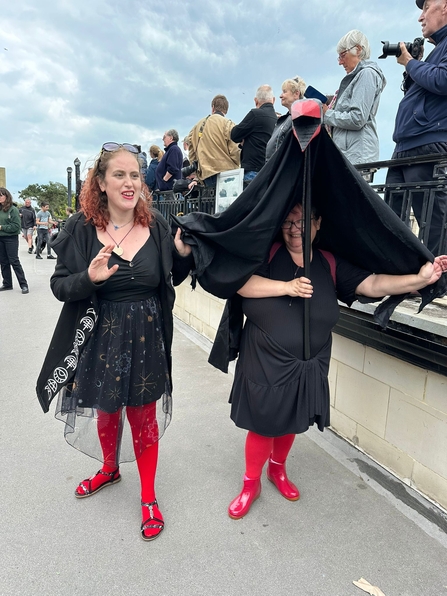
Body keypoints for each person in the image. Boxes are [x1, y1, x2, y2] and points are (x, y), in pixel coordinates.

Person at [224, 202, 447, 519]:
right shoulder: (267, 253)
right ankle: (251, 484)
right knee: (263, 423)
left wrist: (420, 279)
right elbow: (240, 284)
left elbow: (373, 284)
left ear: (317, 224)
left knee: (291, 419)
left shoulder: (328, 261)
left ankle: (278, 470)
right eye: (287, 221)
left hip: (310, 360)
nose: (293, 229)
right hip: (264, 357)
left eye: (301, 221)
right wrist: (286, 287)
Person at [36, 142, 193, 541]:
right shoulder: (79, 228)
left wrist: (183, 255)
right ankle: (110, 467)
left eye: (136, 175)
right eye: (119, 174)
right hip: (101, 332)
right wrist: (90, 278)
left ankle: (149, 498)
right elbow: (60, 287)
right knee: (107, 408)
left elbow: (171, 277)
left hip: (146, 332)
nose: (129, 182)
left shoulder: (156, 223)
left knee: (143, 416)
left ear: (143, 183)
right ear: (101, 182)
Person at [385, 0, 447, 256]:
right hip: (407, 145)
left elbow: (443, 80)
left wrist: (410, 61)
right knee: (390, 221)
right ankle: (400, 280)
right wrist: (415, 64)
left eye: (426, 7)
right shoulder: (438, 50)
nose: (420, 17)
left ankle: (437, 283)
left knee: (432, 222)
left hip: (426, 144)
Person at [322, 30, 386, 165]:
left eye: (343, 55)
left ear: (358, 49)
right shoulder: (360, 76)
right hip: (352, 153)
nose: (340, 62)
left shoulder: (367, 74)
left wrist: (327, 114)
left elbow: (357, 118)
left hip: (357, 155)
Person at [187, 94, 240, 187]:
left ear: (213, 108)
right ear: (226, 110)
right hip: (226, 174)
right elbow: (235, 151)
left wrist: (196, 171)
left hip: (205, 174)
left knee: (209, 201)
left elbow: (192, 152)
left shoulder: (197, 126)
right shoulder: (228, 124)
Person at [230, 84, 277, 185]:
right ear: (273, 100)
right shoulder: (278, 119)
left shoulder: (255, 115)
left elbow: (234, 135)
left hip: (253, 170)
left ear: (256, 101)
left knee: (251, 201)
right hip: (270, 171)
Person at [265, 77, 306, 162]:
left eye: (284, 92)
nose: (280, 96)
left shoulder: (301, 118)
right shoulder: (287, 119)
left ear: (296, 94)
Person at [0, 188, 29, 294]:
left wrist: (2, 227)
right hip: (0, 238)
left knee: (14, 261)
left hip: (10, 238)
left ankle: (23, 284)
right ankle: (7, 283)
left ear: (6, 196)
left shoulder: (13, 209)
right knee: (3, 262)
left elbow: (16, 227)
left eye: (1, 195)